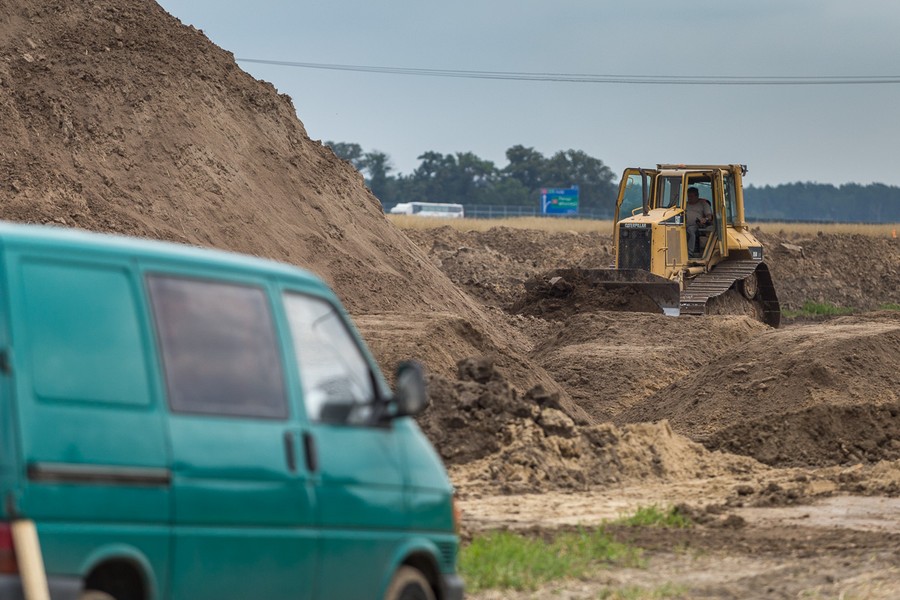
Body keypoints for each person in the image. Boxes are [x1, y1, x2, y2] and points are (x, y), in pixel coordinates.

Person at [685, 187, 713, 256]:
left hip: (697, 226)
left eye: (691, 196)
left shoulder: (703, 204)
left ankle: (690, 253)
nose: (689, 198)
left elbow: (709, 216)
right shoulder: (685, 204)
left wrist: (705, 219)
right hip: (684, 225)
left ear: (697, 196)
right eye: (688, 196)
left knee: (690, 231)